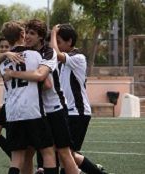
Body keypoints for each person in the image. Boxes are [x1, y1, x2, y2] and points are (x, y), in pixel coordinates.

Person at [4, 19, 79, 174]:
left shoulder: (48, 52)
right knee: (29, 153)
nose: (28, 36)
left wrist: (13, 74)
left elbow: (42, 78)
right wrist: (6, 53)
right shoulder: (25, 52)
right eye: (27, 32)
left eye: (32, 33)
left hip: (54, 107)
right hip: (36, 111)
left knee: (64, 152)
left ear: (40, 37)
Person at [0, 20, 58, 174]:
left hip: (12, 113)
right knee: (48, 152)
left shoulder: (3, 62)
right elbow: (46, 84)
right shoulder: (35, 55)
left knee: (17, 158)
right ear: (22, 34)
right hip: (33, 111)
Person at [51, 24, 110, 174]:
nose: (55, 44)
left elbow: (55, 53)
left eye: (59, 41)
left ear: (69, 41)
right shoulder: (61, 61)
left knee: (66, 154)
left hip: (78, 112)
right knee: (65, 153)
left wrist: (53, 33)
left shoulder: (78, 58)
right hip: (67, 112)